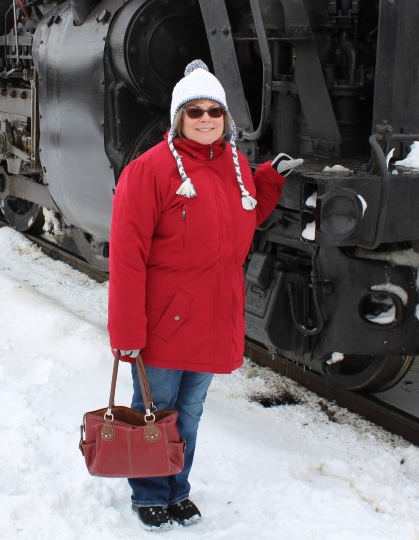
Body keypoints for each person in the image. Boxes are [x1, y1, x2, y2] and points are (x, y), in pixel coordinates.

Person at [107, 59, 302, 531]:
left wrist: (269, 180)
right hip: (165, 319)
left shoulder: (234, 165)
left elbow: (239, 224)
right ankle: (150, 492)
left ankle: (178, 489)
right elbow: (127, 259)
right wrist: (127, 330)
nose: (206, 118)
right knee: (156, 411)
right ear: (178, 118)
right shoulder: (148, 171)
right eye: (194, 111)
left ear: (226, 118)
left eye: (214, 110)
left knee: (188, 412)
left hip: (214, 315)